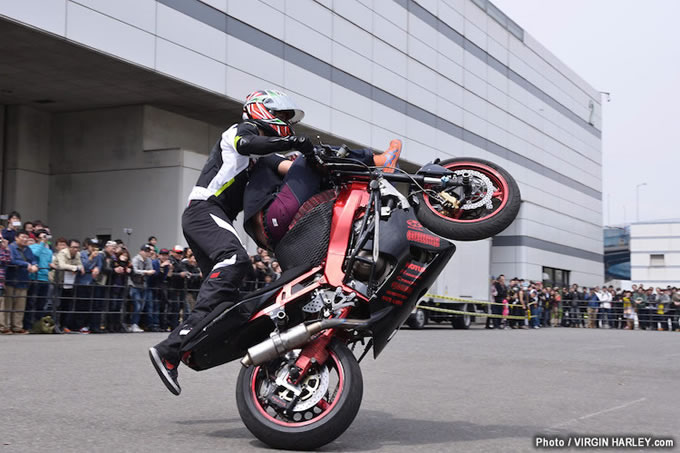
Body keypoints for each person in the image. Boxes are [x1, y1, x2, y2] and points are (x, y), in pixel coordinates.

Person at [4, 231, 38, 334]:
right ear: (16, 238)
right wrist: (26, 264)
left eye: (26, 237)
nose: (25, 239)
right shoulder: (11, 247)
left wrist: (35, 265)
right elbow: (11, 260)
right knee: (8, 305)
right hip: (11, 279)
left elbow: (33, 259)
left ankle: (17, 327)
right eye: (23, 237)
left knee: (20, 306)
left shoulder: (28, 249)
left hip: (23, 280)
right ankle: (5, 327)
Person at [25, 230, 53, 330]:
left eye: (46, 236)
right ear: (37, 238)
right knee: (31, 303)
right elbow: (34, 255)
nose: (45, 238)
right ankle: (28, 325)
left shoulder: (49, 251)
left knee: (41, 304)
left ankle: (37, 325)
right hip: (35, 278)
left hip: (45, 279)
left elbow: (49, 262)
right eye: (42, 236)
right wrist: (41, 243)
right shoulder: (32, 247)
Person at [130, 244, 155, 333]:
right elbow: (135, 270)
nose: (147, 253)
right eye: (145, 251)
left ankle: (135, 324)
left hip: (144, 285)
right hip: (134, 285)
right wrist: (146, 272)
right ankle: (133, 324)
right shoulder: (135, 259)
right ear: (141, 251)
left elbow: (151, 270)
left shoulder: (148, 260)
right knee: (137, 305)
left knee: (141, 306)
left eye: (148, 251)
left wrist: (147, 272)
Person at [0, 237, 12, 333]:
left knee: (1, 303)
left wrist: (6, 248)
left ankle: (2, 326)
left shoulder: (3, 250)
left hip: (1, 281)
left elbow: (7, 260)